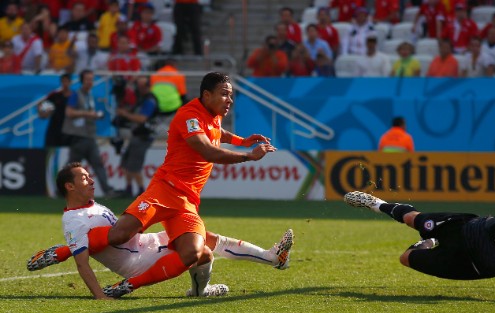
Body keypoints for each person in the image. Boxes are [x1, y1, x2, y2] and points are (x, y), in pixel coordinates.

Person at [83, 72, 277, 298]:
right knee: (119, 235)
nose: (230, 100)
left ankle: (130, 285)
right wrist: (248, 156)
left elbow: (217, 132)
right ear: (207, 95)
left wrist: (240, 141)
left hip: (187, 202)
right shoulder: (189, 115)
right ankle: (66, 249)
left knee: (194, 252)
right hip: (164, 190)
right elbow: (207, 150)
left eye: (231, 95)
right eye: (224, 94)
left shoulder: (213, 114)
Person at [26, 162, 294, 299]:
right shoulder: (74, 221)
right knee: (203, 253)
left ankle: (271, 258)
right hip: (137, 261)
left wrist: (61, 251)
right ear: (69, 187)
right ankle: (133, 286)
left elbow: (106, 237)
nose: (91, 180)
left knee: (207, 239)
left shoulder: (91, 206)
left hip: (144, 243)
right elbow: (83, 261)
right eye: (84, 177)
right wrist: (99, 296)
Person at [344, 191, 495, 281]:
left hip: (466, 266)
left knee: (406, 258)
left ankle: (429, 243)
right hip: (462, 227)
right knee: (412, 218)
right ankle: (377, 203)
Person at [62, 69, 115, 197]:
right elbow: (69, 112)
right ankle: (61, 188)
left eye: (91, 79)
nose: (90, 82)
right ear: (82, 81)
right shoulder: (76, 94)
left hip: (88, 135)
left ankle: (107, 190)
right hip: (79, 136)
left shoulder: (89, 95)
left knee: (92, 165)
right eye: (87, 79)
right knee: (73, 167)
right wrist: (88, 114)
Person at [113, 76, 157, 197]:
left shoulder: (149, 100)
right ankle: (129, 188)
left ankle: (141, 190)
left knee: (134, 166)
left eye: (141, 86)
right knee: (126, 163)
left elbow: (142, 118)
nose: (138, 88)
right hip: (136, 135)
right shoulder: (141, 99)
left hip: (143, 136)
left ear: (147, 86)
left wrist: (124, 114)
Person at [38, 73, 72, 147]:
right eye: (63, 81)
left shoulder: (74, 96)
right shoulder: (55, 95)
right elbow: (41, 104)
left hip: (68, 129)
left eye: (66, 81)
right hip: (54, 128)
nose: (65, 83)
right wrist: (43, 113)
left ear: (70, 82)